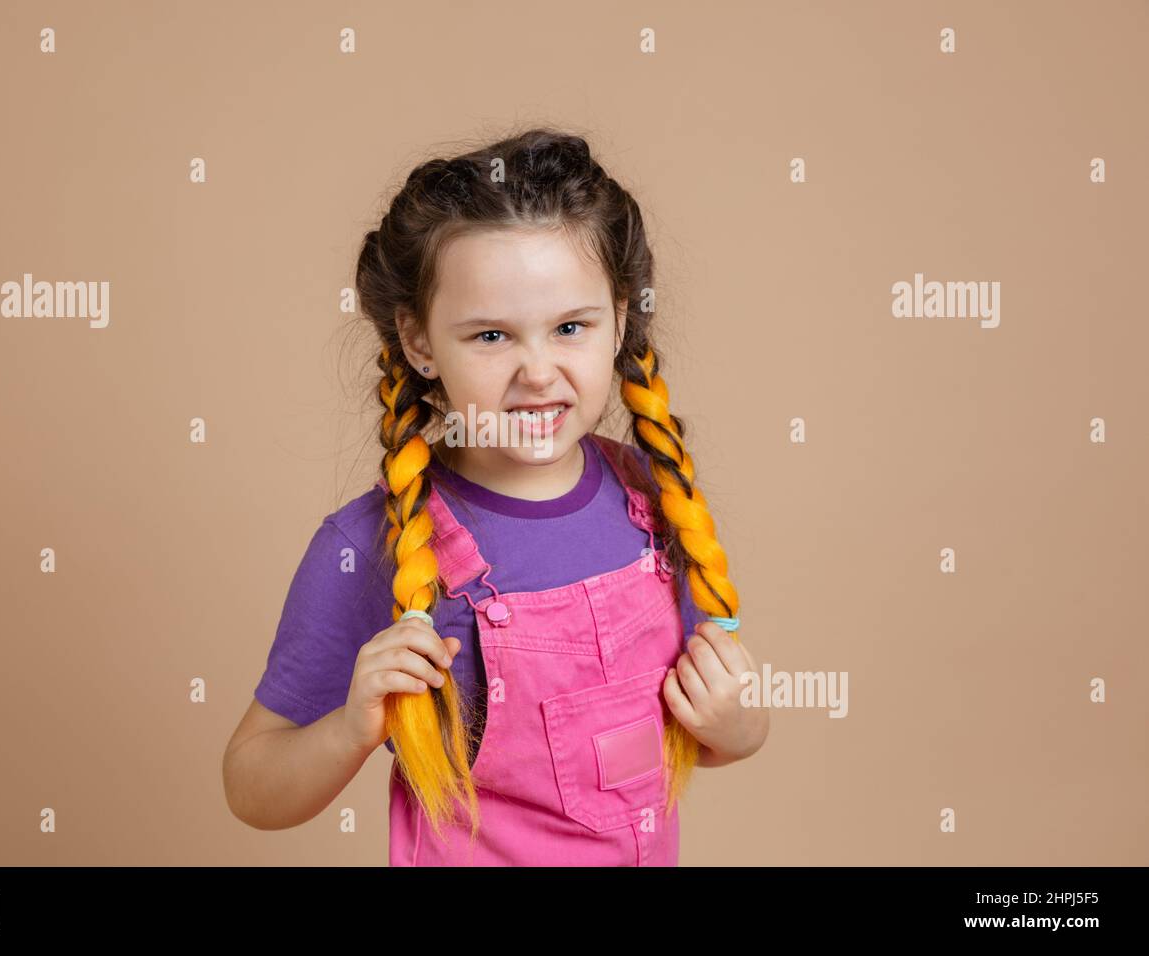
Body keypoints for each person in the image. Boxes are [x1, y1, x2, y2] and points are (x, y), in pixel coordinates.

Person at [222, 127, 769, 866]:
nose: (538, 372)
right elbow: (251, 786)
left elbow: (680, 740)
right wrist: (350, 728)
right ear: (419, 343)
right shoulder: (373, 547)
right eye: (490, 337)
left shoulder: (655, 503)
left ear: (618, 323)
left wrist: (740, 729)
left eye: (571, 326)